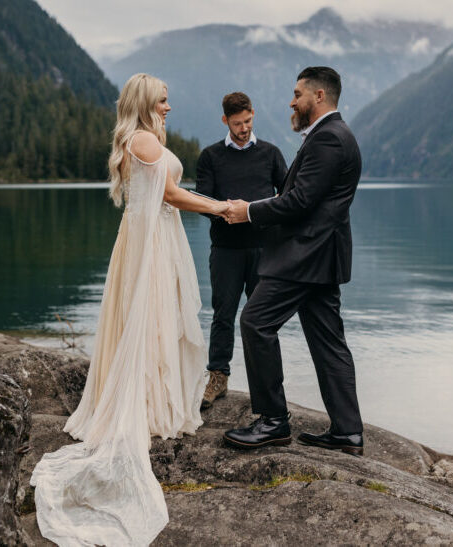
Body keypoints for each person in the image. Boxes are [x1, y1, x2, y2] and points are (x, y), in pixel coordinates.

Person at [30, 73, 229, 546]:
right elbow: (171, 195)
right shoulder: (142, 139)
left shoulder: (139, 138)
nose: (169, 106)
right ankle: (145, 404)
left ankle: (150, 398)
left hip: (145, 236)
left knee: (152, 320)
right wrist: (221, 208)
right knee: (150, 319)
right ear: (145, 103)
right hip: (149, 242)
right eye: (163, 100)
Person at [222, 66, 364, 456]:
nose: (291, 101)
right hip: (321, 256)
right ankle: (347, 432)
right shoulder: (333, 135)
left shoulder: (329, 139)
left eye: (298, 93)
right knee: (328, 341)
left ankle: (272, 421)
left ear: (319, 96)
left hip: (304, 256)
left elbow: (300, 201)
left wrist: (248, 211)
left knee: (255, 322)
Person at [196, 92, 287, 409]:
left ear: (253, 115)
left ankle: (266, 386)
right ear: (225, 121)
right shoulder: (210, 157)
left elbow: (286, 200)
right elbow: (202, 202)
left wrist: (253, 211)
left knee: (263, 320)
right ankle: (218, 378)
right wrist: (226, 210)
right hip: (226, 251)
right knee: (223, 315)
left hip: (266, 251)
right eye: (237, 124)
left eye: (248, 121)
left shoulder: (271, 154)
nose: (244, 128)